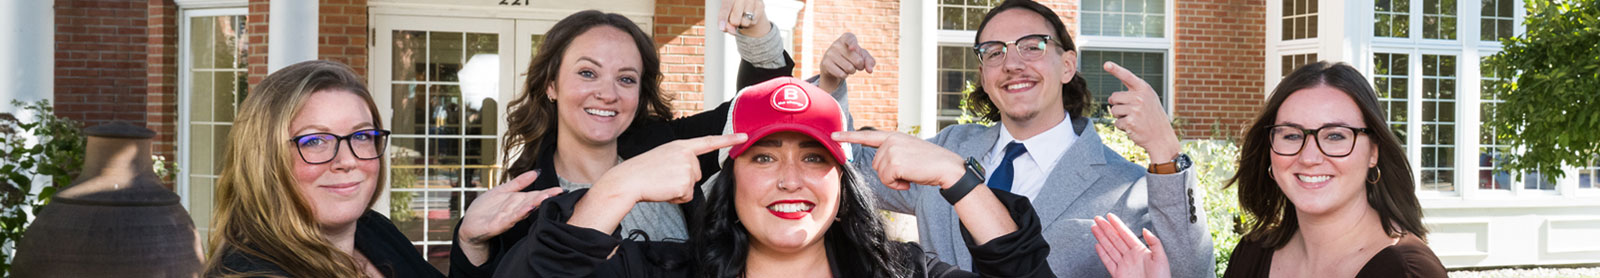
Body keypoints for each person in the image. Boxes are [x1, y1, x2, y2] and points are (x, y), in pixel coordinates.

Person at [448, 4, 878, 277]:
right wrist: (471, 242)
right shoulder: (526, 193)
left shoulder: (667, 147)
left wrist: (754, 25)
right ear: (551, 85)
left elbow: (756, 108)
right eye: (587, 73)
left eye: (626, 79)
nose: (607, 93)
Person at [493, 77, 1052, 277]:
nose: (790, 180)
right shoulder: (664, 269)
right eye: (762, 157)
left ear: (842, 181)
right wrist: (616, 187)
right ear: (729, 177)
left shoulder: (904, 274)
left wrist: (957, 176)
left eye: (813, 158)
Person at [834, 1, 1213, 276]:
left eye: (1032, 46)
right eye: (993, 52)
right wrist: (831, 84)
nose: (1012, 63)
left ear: (1067, 65)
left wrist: (1165, 149)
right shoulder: (949, 148)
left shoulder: (1125, 186)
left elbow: (1190, 272)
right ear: (984, 76)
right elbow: (846, 172)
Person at [1090, 62, 1447, 278]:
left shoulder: (1406, 271)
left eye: (1336, 136)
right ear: (1270, 154)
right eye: (1291, 135)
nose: (1309, 156)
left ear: (1374, 153)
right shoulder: (1254, 253)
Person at [203, 60, 442, 277]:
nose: (347, 161)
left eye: (361, 136)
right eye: (315, 141)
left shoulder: (374, 229)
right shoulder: (254, 273)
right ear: (265, 159)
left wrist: (463, 247)